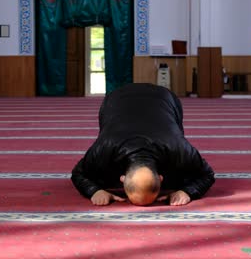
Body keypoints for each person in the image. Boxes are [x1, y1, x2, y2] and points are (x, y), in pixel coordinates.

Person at [71, 83, 215, 206]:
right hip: (117, 98)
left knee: (180, 178)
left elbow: (207, 174)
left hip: (164, 98)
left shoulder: (178, 148)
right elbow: (78, 172)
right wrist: (95, 191)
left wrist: (186, 192)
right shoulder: (105, 146)